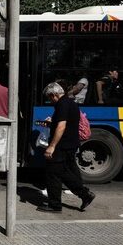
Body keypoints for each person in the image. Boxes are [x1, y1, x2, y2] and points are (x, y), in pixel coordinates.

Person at [37, 82, 95, 212]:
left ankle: (56, 204)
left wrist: (51, 146)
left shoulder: (61, 105)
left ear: (54, 95)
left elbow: (62, 126)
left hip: (62, 145)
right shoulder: (71, 103)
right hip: (72, 143)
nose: (50, 101)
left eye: (49, 98)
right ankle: (84, 194)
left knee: (54, 173)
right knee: (65, 171)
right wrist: (52, 124)